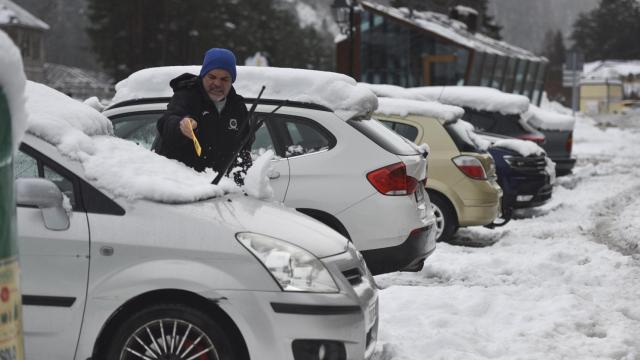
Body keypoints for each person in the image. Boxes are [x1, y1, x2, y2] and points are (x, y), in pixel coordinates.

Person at [155, 48, 252, 185]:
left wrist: (242, 186)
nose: (217, 83)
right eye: (212, 77)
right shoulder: (186, 96)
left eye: (224, 79)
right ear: (203, 76)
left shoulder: (238, 107)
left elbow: (244, 152)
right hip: (183, 187)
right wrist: (180, 126)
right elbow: (166, 123)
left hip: (222, 191)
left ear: (232, 81)